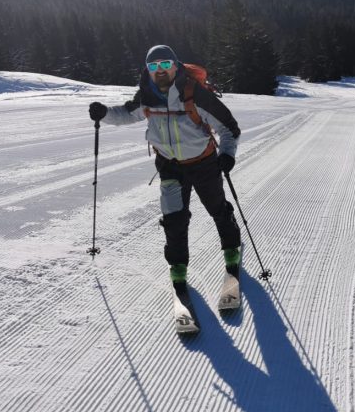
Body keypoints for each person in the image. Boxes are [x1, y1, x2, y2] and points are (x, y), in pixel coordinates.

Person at [88, 45, 242, 318]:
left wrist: (227, 155)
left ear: (175, 65)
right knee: (174, 219)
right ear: (148, 70)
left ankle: (232, 251)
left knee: (217, 209)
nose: (160, 71)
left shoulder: (195, 93)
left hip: (204, 163)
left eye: (165, 65)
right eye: (153, 66)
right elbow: (126, 113)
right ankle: (178, 268)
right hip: (170, 166)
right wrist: (104, 113)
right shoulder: (147, 95)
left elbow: (228, 127)